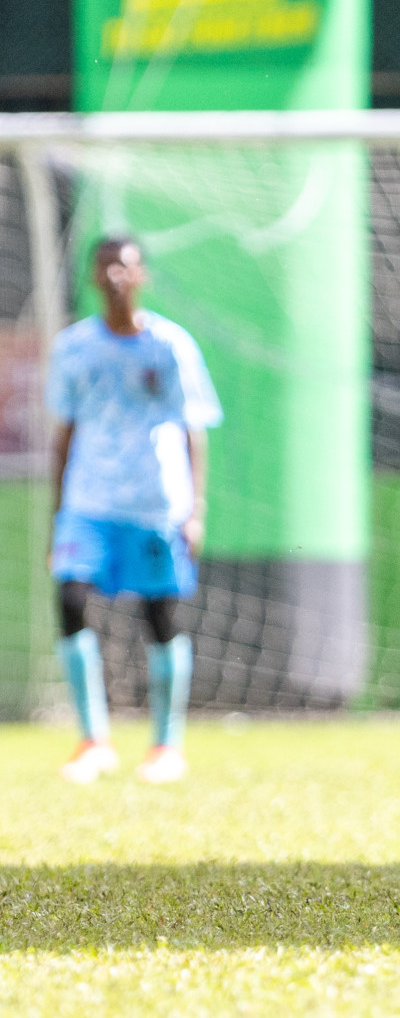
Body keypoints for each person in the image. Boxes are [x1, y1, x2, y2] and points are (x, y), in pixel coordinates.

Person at [46, 235, 222, 785]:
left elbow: (195, 431)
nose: (115, 276)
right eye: (105, 268)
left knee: (161, 617)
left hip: (155, 504)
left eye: (125, 266)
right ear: (95, 278)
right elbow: (65, 429)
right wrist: (58, 513)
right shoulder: (73, 347)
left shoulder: (171, 346)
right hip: (89, 501)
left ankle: (166, 746)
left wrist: (195, 509)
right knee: (71, 599)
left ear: (141, 274)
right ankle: (93, 739)